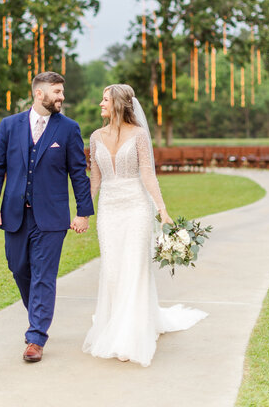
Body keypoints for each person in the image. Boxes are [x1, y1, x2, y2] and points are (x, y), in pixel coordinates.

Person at [82, 84, 207, 367]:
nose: (100, 103)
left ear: (118, 104)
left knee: (134, 268)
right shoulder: (95, 136)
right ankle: (114, 323)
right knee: (113, 270)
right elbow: (96, 180)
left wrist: (162, 210)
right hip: (109, 210)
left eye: (104, 99)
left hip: (137, 207)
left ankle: (129, 335)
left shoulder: (139, 135)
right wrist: (83, 212)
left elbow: (148, 175)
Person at [0, 71, 94, 363]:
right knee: (19, 268)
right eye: (56, 92)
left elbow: (78, 173)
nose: (61, 97)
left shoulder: (69, 129)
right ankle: (38, 315)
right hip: (14, 215)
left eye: (62, 91)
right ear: (39, 94)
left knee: (44, 276)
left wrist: (83, 212)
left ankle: (36, 337)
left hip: (52, 217)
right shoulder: (9, 126)